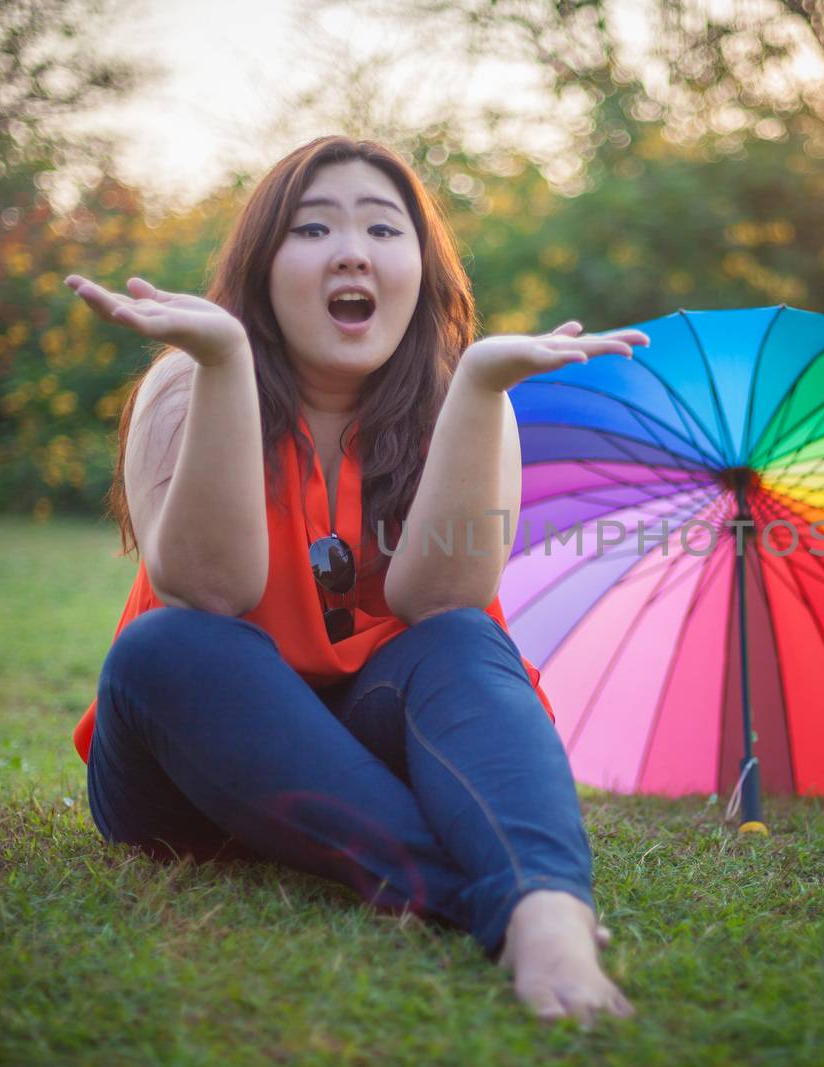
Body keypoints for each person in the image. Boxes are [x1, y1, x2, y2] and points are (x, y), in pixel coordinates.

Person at [65, 135, 645, 1025]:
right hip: (183, 774)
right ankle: (492, 892)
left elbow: (439, 605)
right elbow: (208, 593)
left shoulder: (468, 404)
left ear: (420, 268)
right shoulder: (185, 383)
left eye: (384, 227)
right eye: (312, 228)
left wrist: (483, 389)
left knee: (461, 638)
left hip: (375, 746)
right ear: (262, 267)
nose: (352, 250)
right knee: (167, 644)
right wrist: (224, 365)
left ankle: (549, 914)